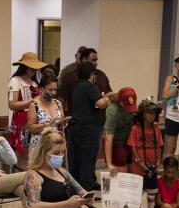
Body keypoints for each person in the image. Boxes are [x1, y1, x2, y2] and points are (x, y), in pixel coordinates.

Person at [67, 62, 114, 192]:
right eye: (93, 74)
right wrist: (107, 98)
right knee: (88, 159)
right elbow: (100, 103)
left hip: (75, 128)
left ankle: (75, 186)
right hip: (89, 130)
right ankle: (88, 186)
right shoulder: (89, 86)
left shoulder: (76, 87)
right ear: (91, 74)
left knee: (76, 159)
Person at [8, 52, 46, 153]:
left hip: (36, 120)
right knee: (23, 152)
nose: (33, 70)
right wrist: (32, 102)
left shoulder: (35, 82)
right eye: (31, 67)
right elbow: (12, 104)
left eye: (35, 68)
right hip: (22, 121)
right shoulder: (15, 81)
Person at [103, 87, 138, 176]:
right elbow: (108, 138)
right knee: (122, 174)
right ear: (120, 101)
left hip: (129, 141)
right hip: (116, 142)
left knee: (132, 172)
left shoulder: (131, 103)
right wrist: (109, 163)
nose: (130, 109)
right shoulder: (113, 111)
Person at [27, 73, 65, 138]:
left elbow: (62, 126)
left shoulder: (58, 104)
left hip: (56, 143)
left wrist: (63, 122)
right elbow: (31, 128)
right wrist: (47, 125)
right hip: (40, 144)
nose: (53, 93)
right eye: (50, 90)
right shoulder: (34, 105)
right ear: (42, 89)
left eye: (55, 90)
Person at [58, 45, 88, 117]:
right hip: (69, 106)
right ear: (75, 56)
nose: (81, 60)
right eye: (80, 57)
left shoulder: (89, 70)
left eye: (84, 58)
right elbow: (59, 87)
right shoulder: (67, 70)